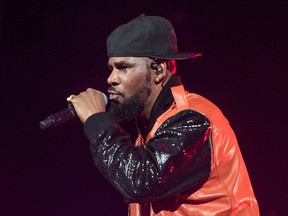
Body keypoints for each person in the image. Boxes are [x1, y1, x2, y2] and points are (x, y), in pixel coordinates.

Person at [68, 15, 259, 215]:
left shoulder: (194, 118)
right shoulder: (149, 134)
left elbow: (140, 181)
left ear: (159, 70)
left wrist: (96, 120)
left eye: (123, 67)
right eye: (110, 68)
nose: (111, 79)